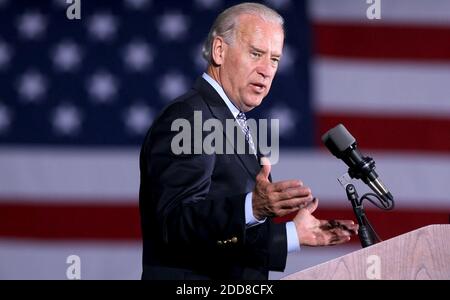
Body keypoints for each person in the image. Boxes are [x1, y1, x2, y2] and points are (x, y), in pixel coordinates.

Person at [139, 2, 358, 280]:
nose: (267, 70)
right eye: (256, 53)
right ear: (220, 51)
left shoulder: (230, 120)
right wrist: (252, 206)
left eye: (275, 59)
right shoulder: (192, 116)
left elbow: (220, 242)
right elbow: (174, 226)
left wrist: (291, 235)